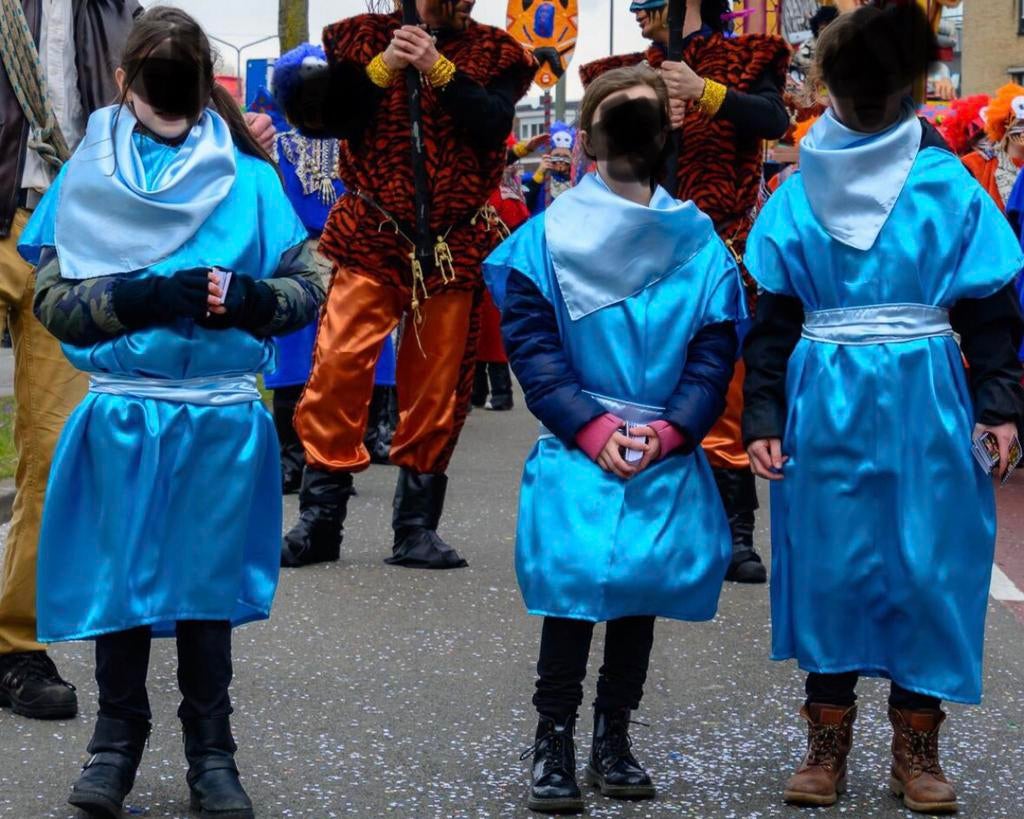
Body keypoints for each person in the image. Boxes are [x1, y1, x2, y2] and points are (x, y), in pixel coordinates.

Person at [20, 9, 323, 817]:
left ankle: (211, 750)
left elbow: (308, 286)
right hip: (126, 411)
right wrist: (140, 295)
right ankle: (115, 742)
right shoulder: (86, 174)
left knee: (203, 588)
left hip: (217, 417)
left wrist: (253, 296)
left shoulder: (250, 178)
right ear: (123, 83)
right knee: (120, 581)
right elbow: (53, 302)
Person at [742, 5, 1024, 813]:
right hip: (824, 397)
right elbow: (773, 318)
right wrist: (761, 415)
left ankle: (917, 747)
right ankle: (825, 745)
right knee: (830, 563)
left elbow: (991, 310)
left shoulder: (947, 187)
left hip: (927, 398)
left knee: (927, 562)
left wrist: (999, 407)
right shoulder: (797, 191)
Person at [486, 65, 744, 814]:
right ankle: (555, 737)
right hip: (581, 448)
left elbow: (711, 351)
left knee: (638, 597)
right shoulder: (543, 242)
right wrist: (594, 426)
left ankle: (613, 736)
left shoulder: (698, 243)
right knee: (571, 597)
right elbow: (535, 352)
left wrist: (669, 431)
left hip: (657, 446)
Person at [272, 0, 534, 570]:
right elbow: (330, 119)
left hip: (450, 246)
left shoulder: (501, 53)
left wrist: (439, 68)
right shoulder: (353, 38)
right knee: (338, 368)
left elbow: (492, 124)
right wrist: (384, 66)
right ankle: (320, 521)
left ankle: (415, 528)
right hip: (371, 234)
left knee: (436, 386)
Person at [581, 0, 791, 584]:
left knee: (724, 390)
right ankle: (640, 525)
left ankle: (733, 531)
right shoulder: (624, 69)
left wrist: (706, 91)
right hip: (642, 255)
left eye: (649, 3)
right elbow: (599, 151)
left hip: (722, 250)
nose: (637, 11)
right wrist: (648, 123)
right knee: (636, 387)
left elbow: (775, 121)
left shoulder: (750, 58)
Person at [0, 0, 140, 723]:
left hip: (67, 241)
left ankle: (17, 645)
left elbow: (156, 108)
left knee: (53, 452)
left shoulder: (121, 13)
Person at [249, 75, 398, 488]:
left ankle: (358, 444)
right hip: (297, 256)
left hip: (353, 254)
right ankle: (292, 456)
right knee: (295, 351)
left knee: (356, 351)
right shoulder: (275, 145)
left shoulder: (358, 141)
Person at [474, 136, 534, 412]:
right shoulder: (476, 189)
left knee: (492, 335)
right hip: (471, 270)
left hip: (495, 275)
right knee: (470, 335)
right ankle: (473, 394)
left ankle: (500, 392)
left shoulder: (509, 198)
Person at [521, 122, 576, 215]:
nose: (561, 160)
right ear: (548, 156)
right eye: (556, 156)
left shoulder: (578, 182)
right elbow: (522, 205)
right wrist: (536, 179)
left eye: (565, 156)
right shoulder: (537, 180)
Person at [791, 5, 839, 77]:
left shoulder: (847, 45)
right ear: (817, 29)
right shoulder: (808, 47)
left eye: (830, 28)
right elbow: (794, 68)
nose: (825, 33)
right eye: (822, 29)